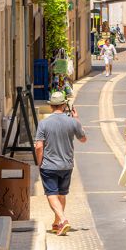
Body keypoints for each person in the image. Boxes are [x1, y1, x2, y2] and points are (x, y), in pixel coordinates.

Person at [34, 91, 87, 235]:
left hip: (49, 165)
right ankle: (57, 224)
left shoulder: (44, 124)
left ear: (51, 106)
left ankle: (63, 219)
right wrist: (77, 119)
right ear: (64, 105)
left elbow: (39, 146)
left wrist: (40, 162)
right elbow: (83, 139)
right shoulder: (72, 122)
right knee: (62, 194)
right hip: (67, 165)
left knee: (51, 194)